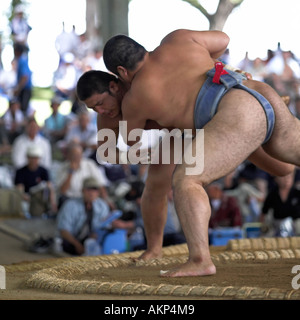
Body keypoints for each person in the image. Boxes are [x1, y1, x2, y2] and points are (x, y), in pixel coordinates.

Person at [76, 67, 296, 278]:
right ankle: (154, 249)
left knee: (283, 168)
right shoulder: (107, 117)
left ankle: (247, 139)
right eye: (93, 108)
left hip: (210, 117)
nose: (100, 111)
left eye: (100, 103)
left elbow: (197, 66)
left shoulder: (142, 85)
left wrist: (231, 71)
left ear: (114, 87)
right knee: (155, 184)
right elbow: (109, 153)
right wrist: (146, 156)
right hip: (177, 134)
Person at [56, 176, 110, 255]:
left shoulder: (102, 206)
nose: (91, 193)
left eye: (94, 190)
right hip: (73, 241)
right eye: (88, 189)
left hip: (92, 242)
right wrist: (77, 245)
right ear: (82, 191)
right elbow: (63, 230)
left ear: (98, 192)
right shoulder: (70, 205)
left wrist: (95, 236)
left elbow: (104, 227)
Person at [55, 143, 110, 208]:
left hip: (89, 199)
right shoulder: (62, 168)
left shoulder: (89, 164)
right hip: (70, 200)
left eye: (79, 155)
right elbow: (63, 191)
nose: (77, 158)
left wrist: (106, 200)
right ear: (68, 156)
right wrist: (71, 172)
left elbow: (100, 184)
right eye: (74, 155)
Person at [14, 145, 57, 217]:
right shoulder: (20, 171)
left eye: (36, 158)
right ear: (27, 158)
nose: (34, 160)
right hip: (27, 198)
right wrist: (27, 198)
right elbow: (19, 188)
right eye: (32, 157)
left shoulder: (43, 171)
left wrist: (52, 202)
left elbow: (49, 186)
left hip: (41, 197)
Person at [260, 169, 300, 236]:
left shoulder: (297, 193)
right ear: (276, 179)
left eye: (289, 177)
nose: (287, 179)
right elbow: (264, 212)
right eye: (284, 177)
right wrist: (263, 226)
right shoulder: (272, 194)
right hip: (277, 223)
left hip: (295, 222)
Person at [13, 43, 32, 115]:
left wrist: (18, 88)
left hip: (25, 90)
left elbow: (25, 76)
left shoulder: (22, 61)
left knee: (23, 108)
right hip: (24, 89)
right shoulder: (21, 60)